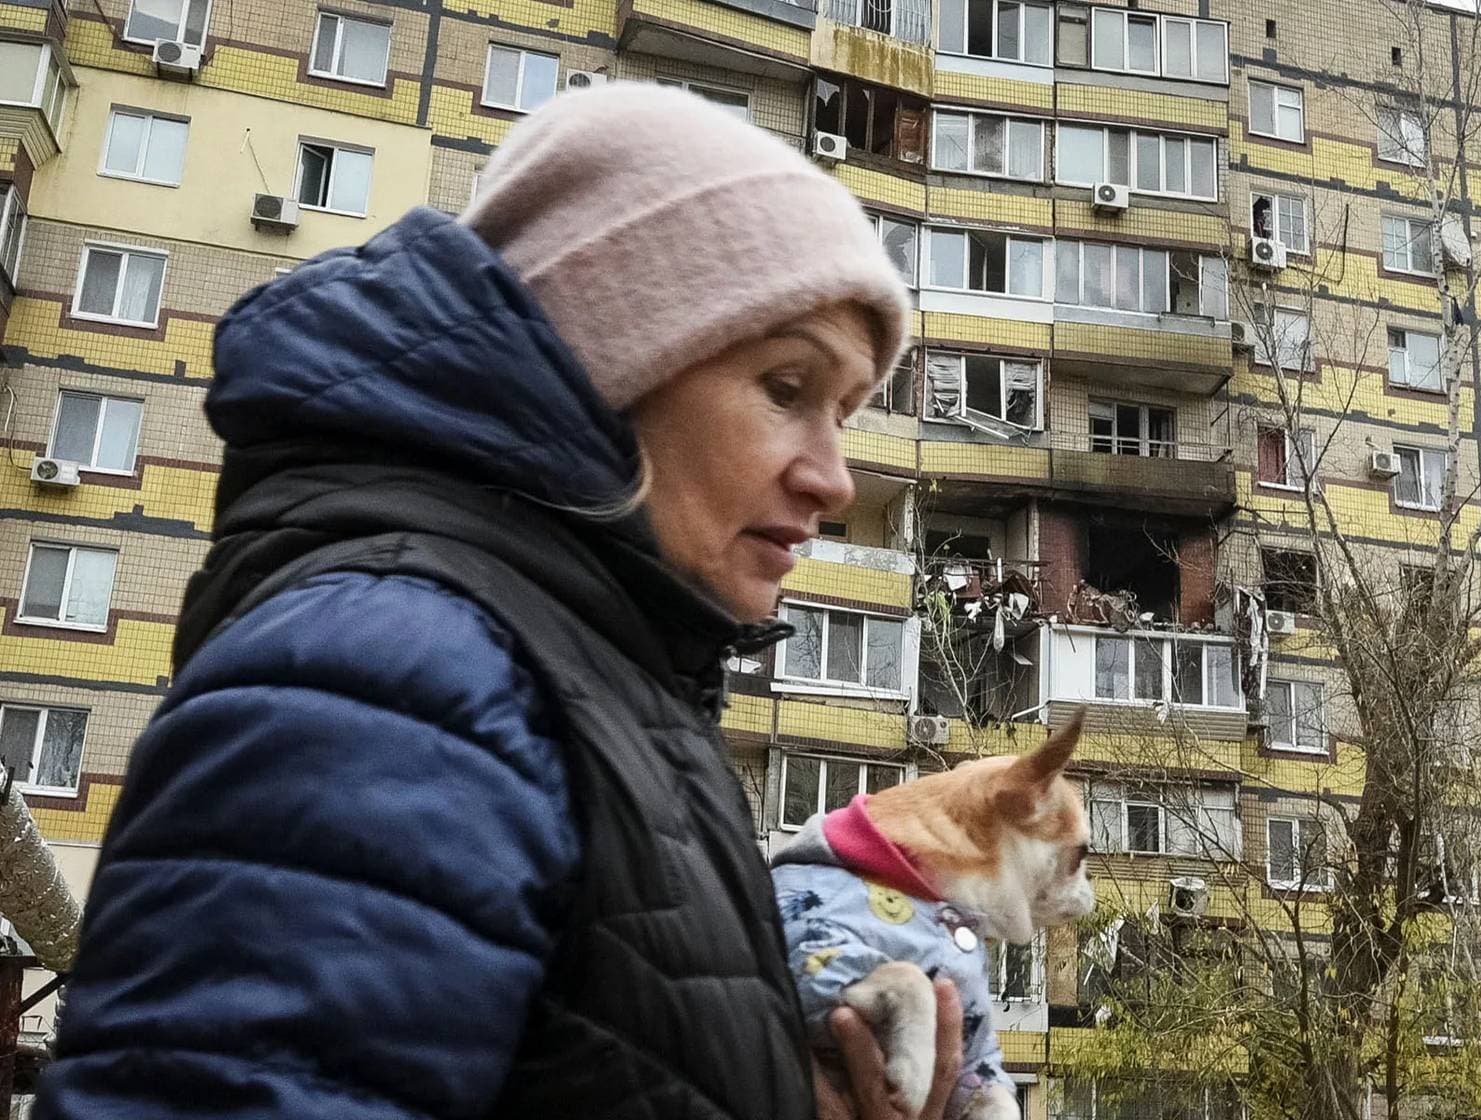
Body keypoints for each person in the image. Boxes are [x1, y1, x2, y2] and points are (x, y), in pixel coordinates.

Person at [37, 84, 960, 1120]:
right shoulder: (391, 675)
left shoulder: (583, 684)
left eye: (844, 411)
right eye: (787, 388)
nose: (835, 480)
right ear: (611, 362)